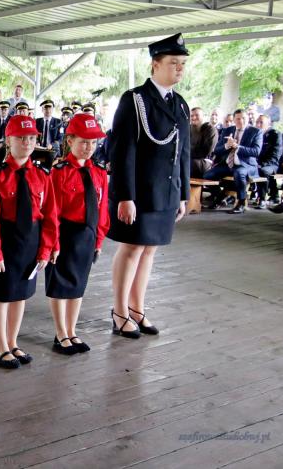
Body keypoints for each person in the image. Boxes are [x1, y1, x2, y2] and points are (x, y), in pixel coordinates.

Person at [108, 32, 191, 338]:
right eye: (173, 62)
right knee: (132, 249)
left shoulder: (180, 104)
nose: (179, 68)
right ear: (155, 64)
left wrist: (183, 194)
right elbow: (123, 151)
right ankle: (119, 311)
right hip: (140, 192)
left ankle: (137, 308)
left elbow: (183, 153)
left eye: (182, 64)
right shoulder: (135, 100)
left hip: (166, 192)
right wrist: (125, 196)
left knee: (149, 252)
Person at [0, 115, 57, 368]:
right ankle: (0, 345)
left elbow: (50, 215)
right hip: (6, 242)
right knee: (2, 296)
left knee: (20, 295)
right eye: (21, 138)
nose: (27, 143)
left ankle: (13, 342)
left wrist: (46, 249)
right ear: (9, 141)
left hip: (30, 243)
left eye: (32, 138)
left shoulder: (42, 175)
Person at [46, 114, 109, 355]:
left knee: (78, 285)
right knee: (60, 284)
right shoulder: (60, 171)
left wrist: (98, 240)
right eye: (84, 142)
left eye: (93, 142)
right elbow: (52, 211)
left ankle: (72, 331)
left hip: (88, 235)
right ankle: (60, 333)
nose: (89, 147)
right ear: (70, 140)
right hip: (64, 234)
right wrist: (53, 243)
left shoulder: (99, 172)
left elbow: (102, 209)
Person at [203, 109, 262, 214]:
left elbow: (256, 151)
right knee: (207, 175)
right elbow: (216, 150)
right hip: (228, 164)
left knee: (239, 173)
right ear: (234, 120)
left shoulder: (255, 132)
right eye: (238, 119)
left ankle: (241, 203)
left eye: (243, 118)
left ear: (248, 118)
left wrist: (238, 147)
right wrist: (227, 145)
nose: (241, 121)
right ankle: (220, 195)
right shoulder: (227, 130)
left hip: (245, 165)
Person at [252, 114, 282, 208]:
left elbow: (275, 155)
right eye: (257, 122)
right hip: (257, 163)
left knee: (263, 171)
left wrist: (261, 164)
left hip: (271, 164)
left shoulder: (275, 134)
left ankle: (262, 199)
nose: (258, 124)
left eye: (261, 122)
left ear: (268, 124)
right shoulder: (255, 135)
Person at [189, 107, 218, 178]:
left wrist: (187, 153)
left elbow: (205, 151)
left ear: (203, 116)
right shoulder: (188, 129)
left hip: (205, 161)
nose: (194, 118)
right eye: (192, 116)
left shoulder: (210, 129)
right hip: (190, 158)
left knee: (187, 164)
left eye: (197, 115)